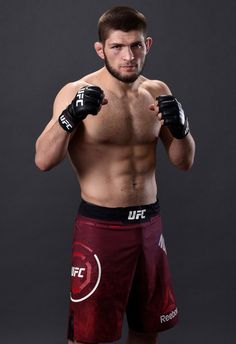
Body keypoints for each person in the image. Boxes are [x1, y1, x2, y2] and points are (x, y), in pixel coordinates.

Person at [35, 6, 195, 344]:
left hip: (149, 227)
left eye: (136, 46)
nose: (128, 56)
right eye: (117, 47)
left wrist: (182, 130)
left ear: (147, 44)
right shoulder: (76, 91)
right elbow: (43, 160)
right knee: (89, 336)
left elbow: (183, 162)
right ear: (100, 49)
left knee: (147, 328)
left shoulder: (157, 91)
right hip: (101, 229)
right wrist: (70, 117)